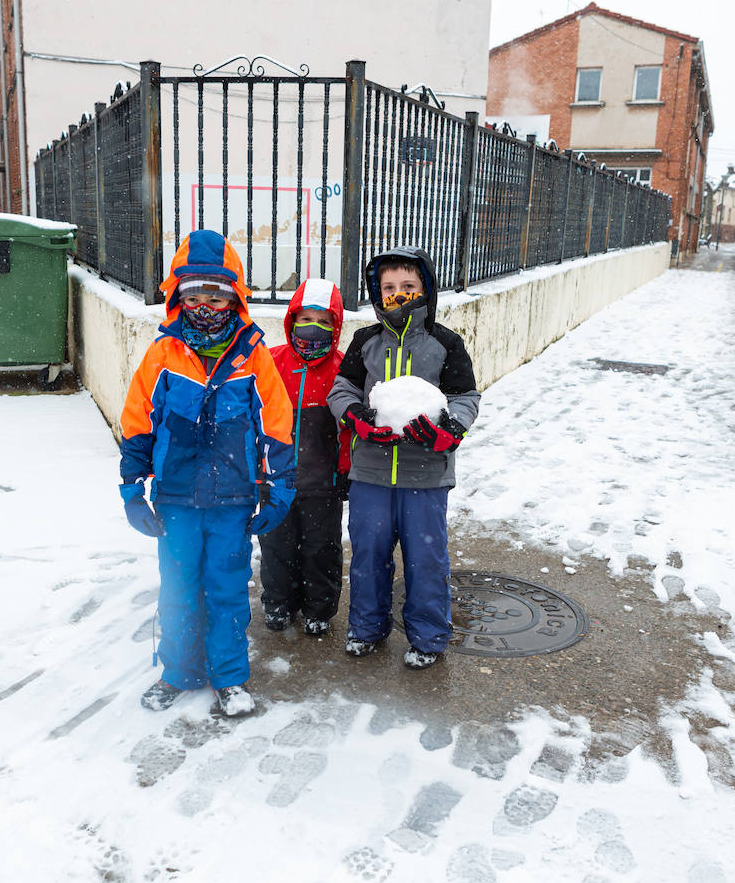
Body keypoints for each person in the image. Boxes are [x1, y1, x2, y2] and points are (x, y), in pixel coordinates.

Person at [118, 230, 295, 716]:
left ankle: (229, 677)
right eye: (194, 295)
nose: (206, 305)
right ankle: (178, 672)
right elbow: (138, 422)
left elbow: (276, 424)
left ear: (234, 298)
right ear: (177, 298)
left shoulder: (253, 356)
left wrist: (279, 485)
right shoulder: (163, 355)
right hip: (175, 499)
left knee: (226, 591)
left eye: (217, 295)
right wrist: (133, 488)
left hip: (233, 500)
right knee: (177, 590)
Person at [326, 247, 480, 670]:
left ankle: (428, 636)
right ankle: (367, 628)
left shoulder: (444, 344)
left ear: (425, 290)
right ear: (377, 293)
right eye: (388, 288)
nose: (397, 295)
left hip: (426, 476)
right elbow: (341, 391)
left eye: (407, 287)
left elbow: (465, 397)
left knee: (425, 559)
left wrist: (448, 430)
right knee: (368, 555)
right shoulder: (365, 342)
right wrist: (357, 419)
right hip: (371, 474)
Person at [258, 278, 352, 637]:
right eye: (306, 318)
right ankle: (278, 602)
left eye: (324, 321)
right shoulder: (271, 362)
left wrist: (344, 470)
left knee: (320, 549)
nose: (314, 328)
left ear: (336, 326)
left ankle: (319, 608)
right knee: (276, 546)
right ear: (292, 319)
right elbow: (255, 419)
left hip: (321, 483)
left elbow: (347, 429)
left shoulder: (342, 369)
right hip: (276, 481)